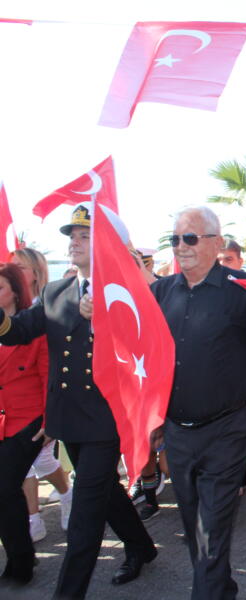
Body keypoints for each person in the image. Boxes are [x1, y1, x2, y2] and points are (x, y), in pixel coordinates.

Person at [0, 205, 156, 598]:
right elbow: (19, 331)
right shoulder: (57, 291)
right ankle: (141, 546)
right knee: (104, 493)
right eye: (72, 235)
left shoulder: (126, 293)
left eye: (85, 236)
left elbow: (146, 342)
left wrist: (107, 313)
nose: (74, 241)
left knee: (86, 513)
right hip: (67, 418)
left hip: (105, 419)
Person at [151, 206, 246, 600]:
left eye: (190, 238)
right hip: (178, 432)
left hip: (230, 427)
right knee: (193, 522)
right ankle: (220, 588)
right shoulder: (160, 292)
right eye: (175, 239)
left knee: (212, 527)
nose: (181, 246)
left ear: (215, 242)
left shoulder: (245, 290)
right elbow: (128, 330)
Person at [12, 248, 73, 537]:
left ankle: (66, 493)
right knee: (25, 465)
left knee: (43, 460)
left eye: (21, 267)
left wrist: (52, 414)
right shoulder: (10, 306)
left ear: (35, 273)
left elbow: (51, 364)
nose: (14, 271)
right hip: (10, 404)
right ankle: (32, 519)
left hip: (40, 397)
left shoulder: (47, 302)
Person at [0, 263, 48, 585]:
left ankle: (22, 562)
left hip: (28, 420)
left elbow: (48, 376)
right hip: (2, 419)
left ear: (15, 291)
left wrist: (50, 421)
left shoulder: (33, 328)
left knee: (4, 489)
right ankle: (19, 558)